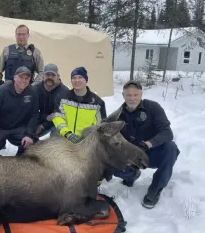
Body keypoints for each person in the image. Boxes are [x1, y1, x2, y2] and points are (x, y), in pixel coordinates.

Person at [109, 80, 180, 209]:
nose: (132, 98)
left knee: (171, 148)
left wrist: (149, 143)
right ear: (123, 95)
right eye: (128, 95)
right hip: (131, 157)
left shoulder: (153, 107)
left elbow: (167, 132)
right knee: (112, 162)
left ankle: (155, 190)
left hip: (152, 153)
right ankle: (132, 175)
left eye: (135, 95)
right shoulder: (118, 114)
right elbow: (105, 130)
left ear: (141, 94)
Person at [0, 66, 39, 156]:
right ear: (15, 77)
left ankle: (19, 161)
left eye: (26, 78)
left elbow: (34, 115)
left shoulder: (32, 93)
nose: (23, 80)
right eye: (21, 77)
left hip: (18, 128)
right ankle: (1, 165)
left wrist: (29, 135)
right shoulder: (1, 91)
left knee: (33, 145)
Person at [49, 66, 106, 142]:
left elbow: (100, 126)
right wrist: (68, 134)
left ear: (86, 80)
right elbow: (58, 118)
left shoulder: (98, 103)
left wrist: (87, 139)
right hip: (64, 140)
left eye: (80, 77)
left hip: (87, 143)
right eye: (74, 78)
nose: (77, 80)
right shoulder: (62, 98)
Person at [32, 63, 69, 138]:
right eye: (47, 75)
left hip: (56, 123)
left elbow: (60, 116)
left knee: (58, 132)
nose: (50, 77)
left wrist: (43, 126)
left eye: (53, 75)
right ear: (43, 76)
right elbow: (32, 112)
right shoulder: (35, 89)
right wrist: (46, 118)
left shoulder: (65, 92)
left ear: (58, 77)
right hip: (40, 120)